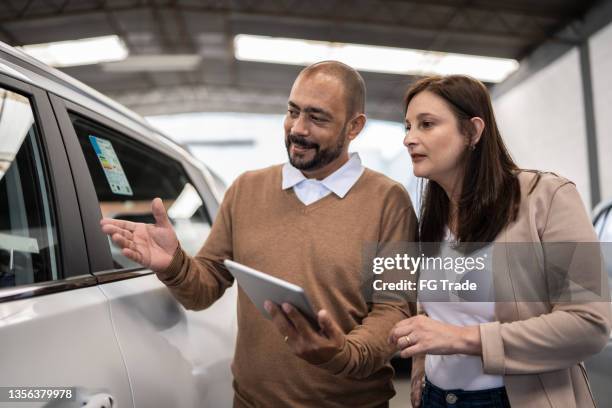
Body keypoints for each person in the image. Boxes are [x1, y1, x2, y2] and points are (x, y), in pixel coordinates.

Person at [101, 61, 418, 407]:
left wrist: (341, 354)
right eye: (292, 111)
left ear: (354, 126)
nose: (298, 128)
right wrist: (174, 264)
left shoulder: (388, 201)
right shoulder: (247, 189)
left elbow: (394, 311)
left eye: (317, 117)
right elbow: (203, 291)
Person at [388, 75, 611, 408]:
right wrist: (421, 365)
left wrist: (463, 339)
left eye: (426, 124)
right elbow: (434, 311)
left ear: (474, 131)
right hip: (437, 398)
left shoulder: (546, 197)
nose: (409, 138)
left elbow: (590, 324)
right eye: (407, 126)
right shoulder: (432, 218)